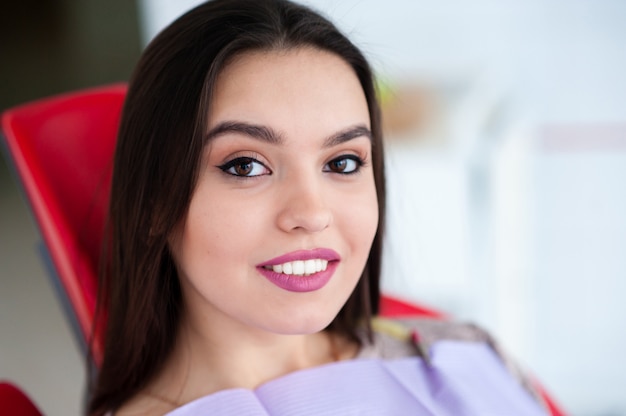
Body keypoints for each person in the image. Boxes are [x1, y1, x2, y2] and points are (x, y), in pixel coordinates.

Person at [87, 1, 550, 415]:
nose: (311, 212)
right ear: (152, 201)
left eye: (343, 161)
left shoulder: (461, 355)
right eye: (246, 166)